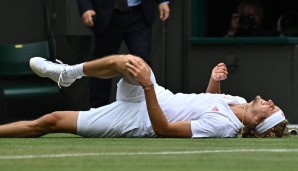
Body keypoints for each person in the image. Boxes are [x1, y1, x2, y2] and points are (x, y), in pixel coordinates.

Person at [0, 55, 288, 138]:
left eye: (270, 111)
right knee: (129, 61)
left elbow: (165, 129)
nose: (272, 103)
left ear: (255, 123)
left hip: (140, 119)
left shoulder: (223, 127)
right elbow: (206, 103)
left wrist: (148, 89)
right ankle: (67, 74)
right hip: (155, 95)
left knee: (51, 121)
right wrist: (214, 82)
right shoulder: (235, 102)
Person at [77, 0, 171, 108]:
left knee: (143, 62)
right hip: (107, 15)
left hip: (139, 14)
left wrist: (162, 1)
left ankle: (148, 110)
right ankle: (97, 113)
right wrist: (86, 7)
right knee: (101, 65)